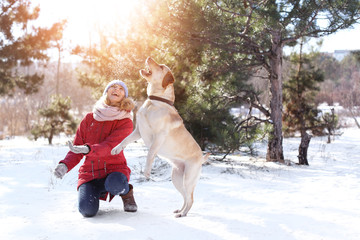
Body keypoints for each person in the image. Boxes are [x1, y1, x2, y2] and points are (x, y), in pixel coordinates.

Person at [54, 80, 137, 217]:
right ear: (106, 92)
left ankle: (126, 192)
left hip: (114, 171)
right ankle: (94, 192)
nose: (116, 89)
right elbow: (76, 148)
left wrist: (88, 149)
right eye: (113, 87)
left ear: (124, 96)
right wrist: (65, 165)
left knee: (116, 184)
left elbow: (110, 146)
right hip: (90, 174)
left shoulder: (125, 121)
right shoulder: (89, 118)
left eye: (121, 89)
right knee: (87, 211)